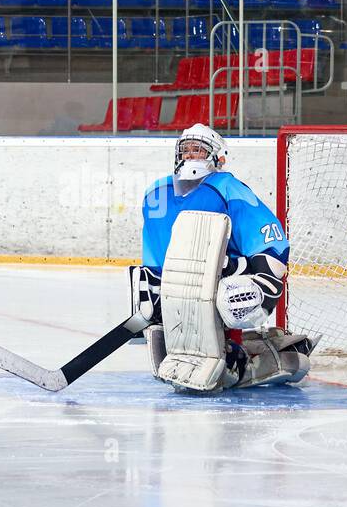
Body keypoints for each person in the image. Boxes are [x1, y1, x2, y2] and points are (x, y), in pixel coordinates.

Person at [130, 124, 315, 393]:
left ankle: (239, 350)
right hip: (178, 284)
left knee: (237, 292)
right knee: (141, 283)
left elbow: (268, 238)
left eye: (199, 151)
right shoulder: (156, 191)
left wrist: (262, 273)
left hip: (221, 278)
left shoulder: (227, 187)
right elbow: (154, 248)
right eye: (187, 150)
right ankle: (209, 347)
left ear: (218, 157)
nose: (191, 156)